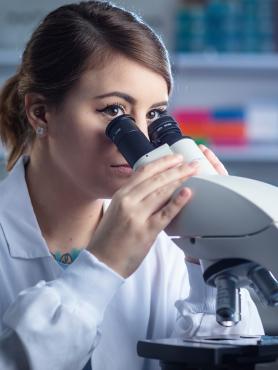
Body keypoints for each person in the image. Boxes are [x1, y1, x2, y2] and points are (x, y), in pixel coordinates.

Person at [0, 1, 264, 370]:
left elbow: (230, 357)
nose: (140, 138)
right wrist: (104, 264)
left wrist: (208, 258)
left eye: (155, 115)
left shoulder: (168, 242)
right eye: (113, 111)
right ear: (40, 111)